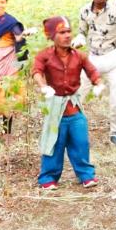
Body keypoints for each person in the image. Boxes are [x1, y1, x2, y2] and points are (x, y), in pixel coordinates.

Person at [32, 16, 104, 190]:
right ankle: (48, 177)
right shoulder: (44, 56)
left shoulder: (79, 56)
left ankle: (86, 175)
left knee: (81, 143)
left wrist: (99, 85)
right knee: (53, 144)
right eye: (61, 32)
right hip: (55, 107)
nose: (67, 35)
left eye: (68, 31)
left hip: (74, 108)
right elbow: (37, 72)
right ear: (51, 35)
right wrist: (43, 87)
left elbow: (93, 72)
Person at [72, 0, 116, 147]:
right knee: (79, 94)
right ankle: (73, 130)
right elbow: (82, 32)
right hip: (93, 58)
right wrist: (79, 39)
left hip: (114, 58)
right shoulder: (84, 11)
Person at [0, 0, 34, 140]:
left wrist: (22, 62)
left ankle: (6, 132)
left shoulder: (11, 22)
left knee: (7, 95)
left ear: (6, 3)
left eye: (2, 2)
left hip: (7, 62)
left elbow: (19, 37)